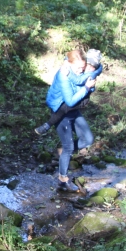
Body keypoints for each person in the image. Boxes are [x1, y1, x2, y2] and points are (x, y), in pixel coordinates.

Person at [42, 49, 97, 191]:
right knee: (69, 147)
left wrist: (92, 75)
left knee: (88, 139)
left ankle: (64, 151)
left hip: (73, 111)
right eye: (78, 68)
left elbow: (96, 69)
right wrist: (86, 88)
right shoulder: (63, 75)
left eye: (83, 68)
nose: (81, 71)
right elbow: (70, 101)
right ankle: (62, 179)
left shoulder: (83, 69)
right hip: (61, 110)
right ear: (69, 64)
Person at [35, 48, 103, 135]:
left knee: (64, 108)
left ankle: (48, 125)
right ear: (85, 62)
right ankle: (49, 125)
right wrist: (66, 60)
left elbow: (78, 80)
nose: (90, 68)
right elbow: (75, 57)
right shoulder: (83, 66)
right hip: (77, 94)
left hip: (83, 98)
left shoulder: (91, 74)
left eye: (93, 67)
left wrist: (69, 74)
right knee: (65, 107)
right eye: (88, 65)